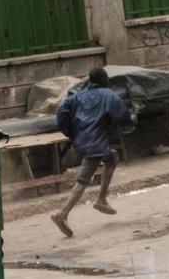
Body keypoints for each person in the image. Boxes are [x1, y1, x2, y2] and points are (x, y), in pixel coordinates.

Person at [51, 67, 136, 238]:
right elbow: (124, 119)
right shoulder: (108, 95)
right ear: (104, 79)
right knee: (83, 180)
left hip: (82, 142)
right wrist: (135, 116)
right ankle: (62, 214)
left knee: (112, 157)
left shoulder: (76, 96)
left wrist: (72, 133)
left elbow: (61, 114)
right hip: (95, 144)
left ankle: (102, 200)